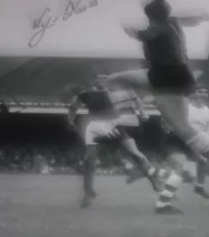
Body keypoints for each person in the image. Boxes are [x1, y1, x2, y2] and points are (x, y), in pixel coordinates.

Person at [104, 0, 209, 200]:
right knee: (181, 126)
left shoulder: (159, 27)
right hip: (175, 75)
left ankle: (123, 124)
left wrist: (134, 32)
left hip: (165, 77)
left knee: (116, 82)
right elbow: (184, 19)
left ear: (149, 16)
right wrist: (198, 18)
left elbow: (148, 33)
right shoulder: (171, 22)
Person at [67, 77, 162, 208]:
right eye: (98, 78)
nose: (100, 80)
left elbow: (136, 99)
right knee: (89, 160)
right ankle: (89, 193)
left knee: (134, 153)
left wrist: (142, 113)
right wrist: (71, 122)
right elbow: (73, 108)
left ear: (107, 81)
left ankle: (153, 179)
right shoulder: (86, 94)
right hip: (95, 129)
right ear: (94, 81)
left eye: (103, 78)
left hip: (114, 126)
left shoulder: (116, 93)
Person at [154, 87, 209, 214]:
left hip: (190, 143)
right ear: (192, 94)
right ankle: (162, 204)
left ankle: (161, 177)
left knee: (186, 173)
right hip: (175, 142)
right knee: (181, 169)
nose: (202, 94)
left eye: (205, 92)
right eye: (199, 91)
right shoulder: (183, 108)